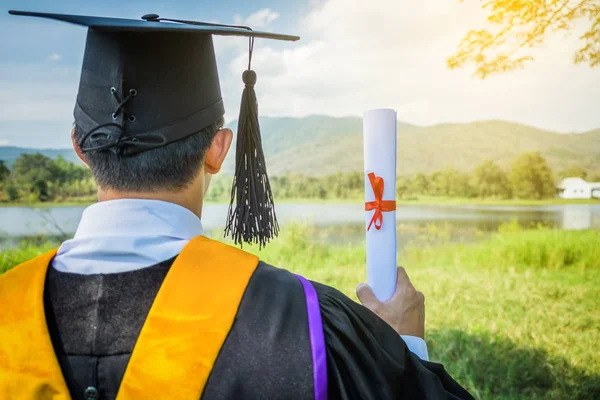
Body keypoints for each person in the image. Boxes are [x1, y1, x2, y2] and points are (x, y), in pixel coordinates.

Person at [0, 10, 475, 400]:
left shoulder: (9, 307)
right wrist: (401, 346)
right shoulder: (305, 321)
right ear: (219, 149)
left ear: (80, 147)